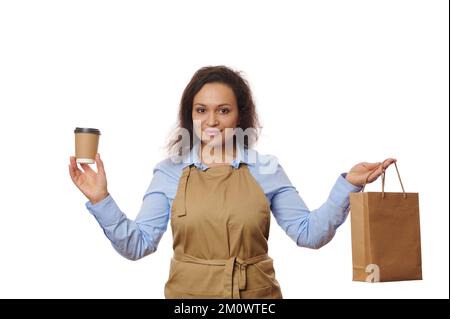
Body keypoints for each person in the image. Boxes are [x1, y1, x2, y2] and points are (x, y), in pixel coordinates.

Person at [68, 65, 396, 299]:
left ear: (240, 115)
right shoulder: (169, 172)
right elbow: (138, 245)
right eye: (201, 110)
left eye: (223, 110)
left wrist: (349, 185)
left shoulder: (264, 168)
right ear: (190, 116)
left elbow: (309, 234)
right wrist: (101, 199)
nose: (211, 121)